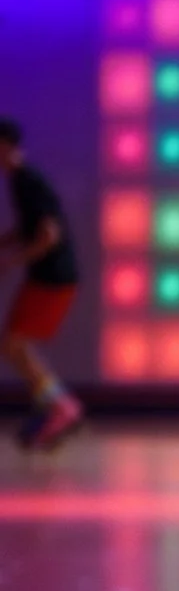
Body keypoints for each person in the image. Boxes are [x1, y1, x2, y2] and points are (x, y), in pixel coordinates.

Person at [0, 117, 87, 451]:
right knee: (12, 345)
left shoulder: (27, 181)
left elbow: (49, 236)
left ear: (5, 146)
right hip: (48, 275)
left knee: (13, 345)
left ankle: (61, 407)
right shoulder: (19, 180)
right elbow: (30, 229)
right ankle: (54, 407)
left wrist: (10, 262)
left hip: (53, 277)